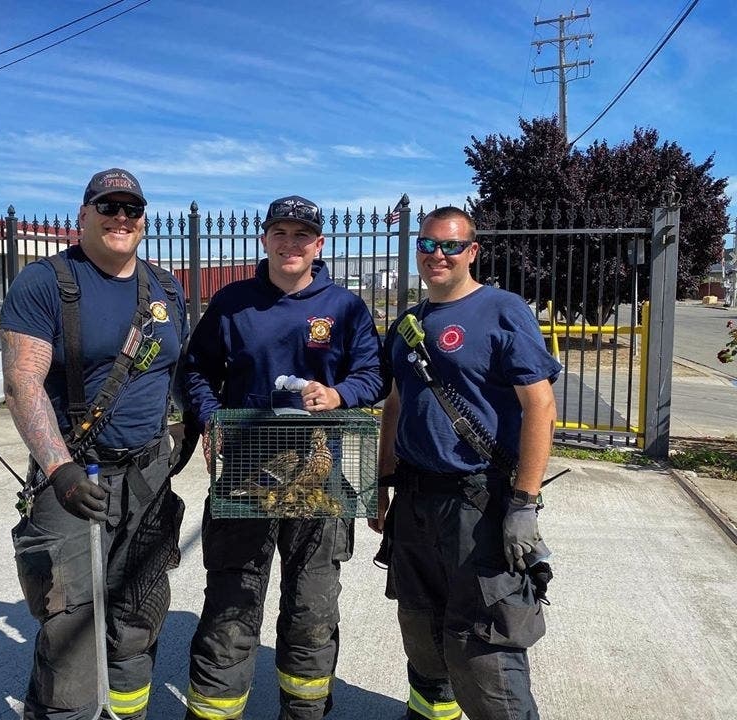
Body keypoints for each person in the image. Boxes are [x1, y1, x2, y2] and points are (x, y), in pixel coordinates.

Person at [182, 195, 385, 720]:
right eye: (281, 233)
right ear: (265, 239)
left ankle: (304, 712)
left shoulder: (344, 307)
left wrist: (339, 395)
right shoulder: (233, 303)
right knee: (233, 600)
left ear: (319, 244)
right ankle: (214, 711)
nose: (290, 244)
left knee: (312, 606)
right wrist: (210, 417)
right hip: (247, 474)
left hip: (321, 475)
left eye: (302, 235)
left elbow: (373, 375)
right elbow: (197, 372)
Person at [0, 168, 190, 720]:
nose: (121, 218)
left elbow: (177, 369)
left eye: (132, 209)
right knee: (71, 622)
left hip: (148, 477)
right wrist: (59, 469)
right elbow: (21, 383)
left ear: (144, 221)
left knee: (138, 610)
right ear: (83, 214)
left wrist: (192, 428)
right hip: (76, 479)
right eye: (108, 207)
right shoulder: (47, 282)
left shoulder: (166, 287)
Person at [372, 206, 561, 720]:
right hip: (414, 500)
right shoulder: (409, 322)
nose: (438, 255)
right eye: (428, 245)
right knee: (422, 631)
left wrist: (523, 503)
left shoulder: (503, 310)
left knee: (485, 647)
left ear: (472, 251)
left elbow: (539, 406)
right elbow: (394, 403)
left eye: (451, 245)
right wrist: (383, 483)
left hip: (477, 503)